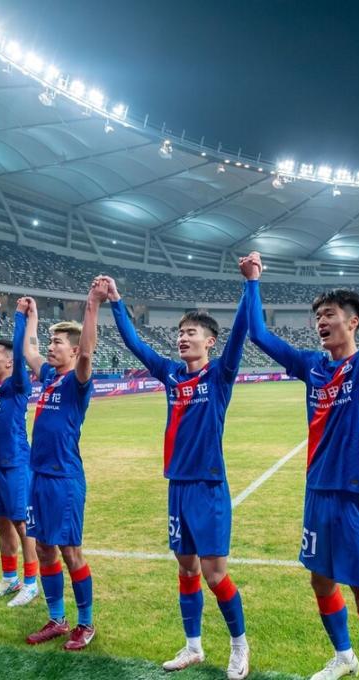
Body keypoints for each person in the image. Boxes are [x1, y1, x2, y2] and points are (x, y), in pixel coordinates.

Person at [245, 228, 359, 680]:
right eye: (317, 315)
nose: (320, 321)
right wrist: (253, 282)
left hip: (355, 495)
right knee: (320, 580)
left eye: (329, 314)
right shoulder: (311, 366)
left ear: (352, 322)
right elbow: (258, 333)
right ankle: (343, 656)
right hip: (317, 491)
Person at [102, 273, 252, 679]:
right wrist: (116, 300)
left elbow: (240, 332)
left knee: (215, 575)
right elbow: (135, 344)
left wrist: (250, 284)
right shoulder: (170, 374)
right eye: (181, 333)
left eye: (191, 333)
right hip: (178, 486)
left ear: (210, 342)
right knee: (186, 569)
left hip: (208, 486)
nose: (183, 338)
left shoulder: (219, 375)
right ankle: (193, 646)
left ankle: (239, 645)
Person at [19, 282, 103, 651]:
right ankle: (57, 618)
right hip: (38, 476)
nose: (50, 348)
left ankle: (85, 623)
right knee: (43, 548)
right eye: (50, 342)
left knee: (70, 552)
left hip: (64, 478)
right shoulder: (50, 377)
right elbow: (28, 350)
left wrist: (92, 304)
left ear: (73, 350)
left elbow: (88, 350)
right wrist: (32, 317)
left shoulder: (76, 381)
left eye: (57, 343)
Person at [0, 299, 38, 607]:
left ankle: (31, 582)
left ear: (10, 363)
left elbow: (18, 347)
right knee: (1, 522)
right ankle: (9, 578)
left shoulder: (17, 385)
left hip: (16, 464)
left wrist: (18, 317)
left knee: (22, 524)